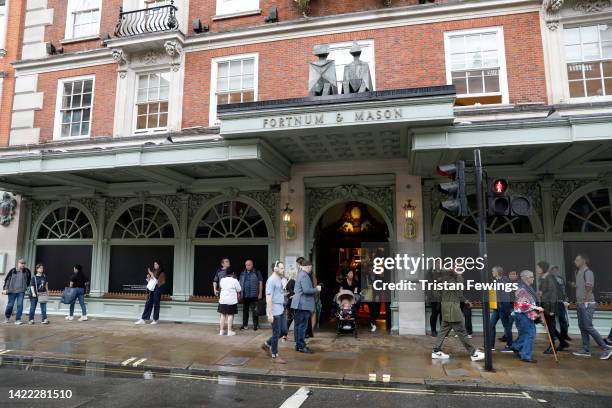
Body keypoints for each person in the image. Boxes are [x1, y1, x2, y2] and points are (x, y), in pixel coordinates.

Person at [431, 268, 485, 362]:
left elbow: (457, 295)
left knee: (442, 332)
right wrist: (459, 276)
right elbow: (459, 290)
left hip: (446, 309)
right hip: (453, 311)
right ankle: (473, 354)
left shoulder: (442, 282)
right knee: (462, 333)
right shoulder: (453, 282)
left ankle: (436, 351)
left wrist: (465, 300)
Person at [570, 254, 611, 360]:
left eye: (577, 259)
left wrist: (586, 302)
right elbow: (583, 287)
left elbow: (589, 287)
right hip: (580, 303)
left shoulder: (588, 272)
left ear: (583, 261)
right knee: (582, 326)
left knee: (588, 326)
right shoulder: (578, 272)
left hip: (587, 304)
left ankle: (606, 348)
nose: (575, 261)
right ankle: (586, 350)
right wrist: (575, 286)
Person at [512, 270, 543, 363]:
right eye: (531, 277)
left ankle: (516, 347)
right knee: (530, 334)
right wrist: (537, 307)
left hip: (525, 314)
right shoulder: (521, 288)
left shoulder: (528, 287)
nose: (533, 278)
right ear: (525, 278)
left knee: (526, 333)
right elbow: (523, 304)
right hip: (523, 315)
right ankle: (526, 356)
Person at [291, 260, 321, 353]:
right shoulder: (304, 275)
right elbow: (306, 290)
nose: (310, 269)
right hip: (303, 304)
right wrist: (317, 289)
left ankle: (298, 345)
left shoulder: (300, 274)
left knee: (298, 326)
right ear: (307, 267)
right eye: (310, 268)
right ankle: (301, 346)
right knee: (302, 326)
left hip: (299, 304)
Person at [538, 262, 569, 353]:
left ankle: (552, 347)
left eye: (539, 267)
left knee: (550, 326)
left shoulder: (549, 278)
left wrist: (551, 309)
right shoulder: (543, 278)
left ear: (543, 268)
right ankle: (563, 342)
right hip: (546, 305)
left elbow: (553, 294)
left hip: (551, 306)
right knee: (550, 326)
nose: (537, 269)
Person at [261, 261, 287, 363]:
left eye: (283, 268)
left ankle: (266, 344)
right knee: (276, 333)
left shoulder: (279, 279)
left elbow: (279, 293)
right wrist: (270, 314)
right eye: (281, 268)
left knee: (284, 331)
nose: (283, 270)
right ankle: (275, 355)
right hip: (274, 310)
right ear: (275, 269)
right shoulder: (271, 280)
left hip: (281, 308)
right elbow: (269, 298)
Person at [488, 266, 514, 352]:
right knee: (491, 325)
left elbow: (506, 297)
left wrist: (507, 311)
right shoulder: (496, 281)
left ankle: (510, 346)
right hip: (497, 308)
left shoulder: (504, 281)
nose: (492, 272)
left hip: (503, 308)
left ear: (497, 273)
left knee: (506, 327)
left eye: (493, 271)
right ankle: (490, 345)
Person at [135, 260, 166, 325]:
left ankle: (155, 319)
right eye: (154, 264)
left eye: (156, 264)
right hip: (151, 289)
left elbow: (160, 282)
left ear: (159, 265)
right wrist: (149, 278)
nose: (155, 265)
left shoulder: (161, 272)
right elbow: (152, 282)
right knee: (148, 303)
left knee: (156, 304)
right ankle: (143, 319)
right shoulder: (154, 271)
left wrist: (151, 274)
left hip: (157, 289)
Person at [3, 259, 32, 325]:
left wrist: (27, 289)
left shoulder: (27, 271)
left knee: (20, 305)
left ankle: (18, 319)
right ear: (18, 263)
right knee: (10, 305)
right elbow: (7, 280)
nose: (22, 265)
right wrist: (5, 288)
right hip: (12, 291)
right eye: (21, 263)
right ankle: (7, 317)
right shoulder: (13, 270)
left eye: (24, 263)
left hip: (21, 291)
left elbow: (28, 281)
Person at [239, 259, 263, 331]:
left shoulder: (256, 272)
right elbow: (239, 283)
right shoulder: (243, 273)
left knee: (255, 310)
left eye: (249, 265)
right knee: (245, 310)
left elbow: (260, 283)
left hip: (254, 295)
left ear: (252, 265)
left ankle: (255, 325)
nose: (247, 266)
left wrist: (260, 293)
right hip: (245, 295)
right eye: (246, 265)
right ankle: (245, 325)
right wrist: (239, 293)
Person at [550, 266, 571, 343]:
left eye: (557, 271)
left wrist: (566, 299)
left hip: (561, 302)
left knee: (563, 319)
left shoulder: (561, 279)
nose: (556, 272)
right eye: (554, 271)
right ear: (551, 272)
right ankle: (554, 335)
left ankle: (564, 335)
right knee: (552, 320)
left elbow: (564, 290)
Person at [218, 269, 241, 336]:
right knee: (230, 315)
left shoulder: (222, 280)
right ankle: (229, 331)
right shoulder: (234, 280)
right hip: (231, 300)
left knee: (222, 315)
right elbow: (239, 289)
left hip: (222, 300)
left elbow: (221, 286)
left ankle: (221, 331)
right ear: (233, 273)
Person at [281, 267, 297, 342]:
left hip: (289, 303)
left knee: (289, 320)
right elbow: (291, 292)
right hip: (292, 303)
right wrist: (295, 294)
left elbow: (286, 293)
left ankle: (284, 336)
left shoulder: (288, 281)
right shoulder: (292, 281)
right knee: (294, 320)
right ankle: (296, 337)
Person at [427, 268, 442, 337]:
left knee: (442, 314)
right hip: (434, 297)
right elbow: (428, 284)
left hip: (443, 296)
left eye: (440, 263)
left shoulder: (443, 272)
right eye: (437, 263)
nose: (439, 265)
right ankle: (433, 331)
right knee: (434, 314)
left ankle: (442, 332)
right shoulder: (431, 273)